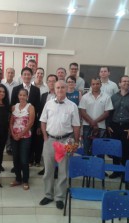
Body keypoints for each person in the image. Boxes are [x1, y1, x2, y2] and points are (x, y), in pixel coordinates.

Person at [39, 80, 80, 210]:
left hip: (66, 140)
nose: (60, 90)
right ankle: (48, 195)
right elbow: (43, 121)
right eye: (58, 87)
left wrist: (75, 143)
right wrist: (45, 138)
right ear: (54, 89)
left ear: (67, 88)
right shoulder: (48, 104)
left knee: (63, 171)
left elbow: (76, 126)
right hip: (50, 140)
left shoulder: (72, 106)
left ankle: (60, 197)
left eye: (63, 87)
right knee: (48, 171)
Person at [107, 75, 129, 179]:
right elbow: (109, 112)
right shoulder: (113, 97)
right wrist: (108, 125)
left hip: (127, 127)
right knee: (115, 150)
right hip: (114, 126)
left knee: (126, 151)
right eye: (124, 81)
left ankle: (125, 173)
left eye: (128, 81)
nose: (126, 83)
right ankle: (116, 171)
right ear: (120, 83)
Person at [11, 67, 40, 167]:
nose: (27, 76)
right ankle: (17, 166)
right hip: (17, 124)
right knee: (17, 148)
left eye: (29, 74)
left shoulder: (36, 90)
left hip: (31, 122)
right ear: (22, 76)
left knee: (30, 144)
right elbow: (13, 105)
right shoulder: (16, 89)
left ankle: (29, 162)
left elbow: (37, 107)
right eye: (25, 74)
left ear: (32, 76)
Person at [79, 77, 113, 155]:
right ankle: (87, 166)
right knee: (86, 150)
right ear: (91, 85)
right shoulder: (85, 97)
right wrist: (92, 122)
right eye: (93, 84)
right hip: (87, 126)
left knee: (100, 151)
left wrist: (94, 122)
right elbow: (82, 112)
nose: (95, 85)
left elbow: (107, 112)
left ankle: (98, 167)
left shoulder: (106, 97)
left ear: (101, 85)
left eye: (97, 84)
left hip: (101, 127)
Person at [10, 89, 35, 190]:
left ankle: (25, 180)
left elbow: (30, 123)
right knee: (15, 157)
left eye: (24, 95)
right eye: (20, 95)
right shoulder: (14, 107)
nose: (22, 97)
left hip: (25, 137)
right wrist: (13, 133)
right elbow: (11, 122)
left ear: (27, 97)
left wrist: (20, 134)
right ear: (18, 96)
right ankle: (18, 178)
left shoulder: (30, 107)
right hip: (14, 137)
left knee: (24, 159)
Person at [37, 74, 58, 176]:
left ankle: (56, 169)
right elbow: (40, 112)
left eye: (53, 81)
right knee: (46, 149)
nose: (51, 83)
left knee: (57, 149)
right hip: (45, 126)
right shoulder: (44, 95)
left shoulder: (61, 95)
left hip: (56, 127)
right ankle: (46, 168)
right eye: (49, 81)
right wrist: (39, 126)